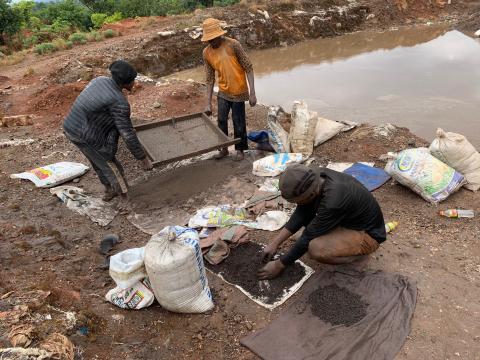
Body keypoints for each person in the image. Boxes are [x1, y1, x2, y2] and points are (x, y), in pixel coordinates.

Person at [258, 164, 387, 280]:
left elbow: (308, 237)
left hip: (368, 234)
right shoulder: (315, 177)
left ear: (311, 192)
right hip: (346, 220)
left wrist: (279, 264)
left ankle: (357, 258)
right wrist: (274, 243)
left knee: (315, 248)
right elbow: (302, 212)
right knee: (302, 236)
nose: (298, 204)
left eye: (299, 200)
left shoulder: (333, 202)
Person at [63, 60, 152, 201]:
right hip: (84, 134)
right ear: (125, 83)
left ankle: (109, 190)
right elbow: (127, 134)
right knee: (111, 166)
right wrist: (142, 158)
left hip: (71, 127)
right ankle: (127, 200)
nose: (134, 83)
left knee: (97, 161)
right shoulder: (119, 102)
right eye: (133, 81)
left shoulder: (100, 80)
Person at [201, 18, 257, 161]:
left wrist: (252, 93)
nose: (212, 42)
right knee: (221, 120)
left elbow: (248, 67)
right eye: (209, 40)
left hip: (239, 91)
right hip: (223, 91)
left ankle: (240, 149)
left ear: (219, 35)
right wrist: (207, 103)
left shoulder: (233, 45)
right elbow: (209, 78)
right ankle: (224, 149)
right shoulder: (206, 53)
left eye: (214, 38)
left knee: (238, 121)